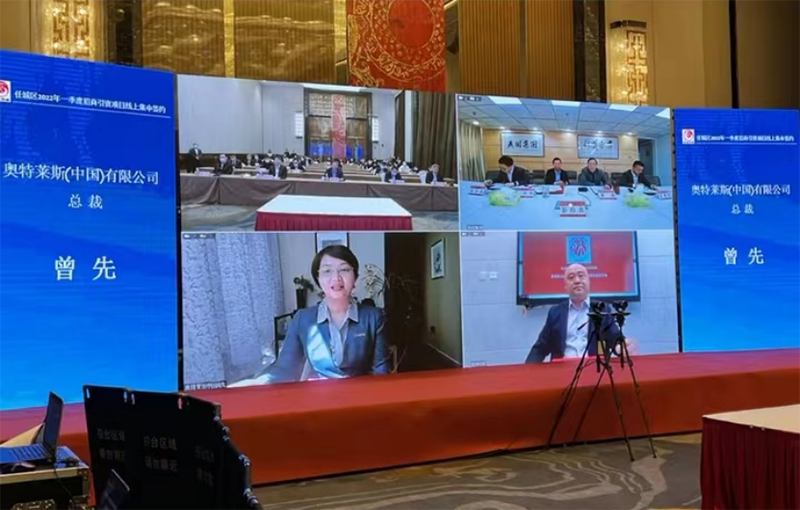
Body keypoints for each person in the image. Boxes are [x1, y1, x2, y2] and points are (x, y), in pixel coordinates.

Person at [230, 245, 391, 385]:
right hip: (320, 398)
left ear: (355, 277)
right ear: (318, 279)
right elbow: (285, 368)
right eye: (327, 271)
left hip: (359, 397)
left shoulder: (373, 317)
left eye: (344, 269)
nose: (336, 278)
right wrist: (255, 383)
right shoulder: (303, 319)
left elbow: (380, 371)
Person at [525, 264, 624, 363]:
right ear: (566, 286)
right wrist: (527, 369)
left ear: (589, 282)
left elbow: (614, 338)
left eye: (581, 276)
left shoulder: (603, 309)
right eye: (571, 277)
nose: (577, 281)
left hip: (594, 367)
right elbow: (540, 348)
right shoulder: (555, 312)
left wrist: (620, 347)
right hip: (562, 368)